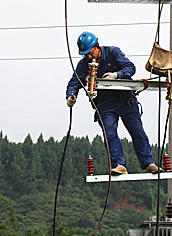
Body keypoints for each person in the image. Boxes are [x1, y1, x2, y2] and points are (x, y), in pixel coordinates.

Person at [65, 31, 159, 175]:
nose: (89, 57)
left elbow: (130, 68)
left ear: (97, 46)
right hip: (105, 103)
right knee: (110, 134)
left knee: (137, 131)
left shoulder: (113, 52)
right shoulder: (84, 64)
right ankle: (119, 164)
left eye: (90, 53)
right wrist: (71, 96)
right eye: (86, 55)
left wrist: (116, 75)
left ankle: (148, 163)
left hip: (125, 99)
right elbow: (74, 82)